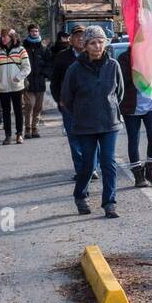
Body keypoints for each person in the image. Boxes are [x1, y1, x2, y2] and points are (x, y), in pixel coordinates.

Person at [60, 26, 124, 217]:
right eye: (93, 43)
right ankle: (80, 195)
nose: (97, 46)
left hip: (109, 122)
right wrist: (82, 111)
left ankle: (109, 203)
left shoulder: (113, 65)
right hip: (85, 124)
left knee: (108, 162)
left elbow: (118, 93)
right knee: (88, 164)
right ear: (85, 46)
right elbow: (67, 98)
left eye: (100, 42)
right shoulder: (75, 69)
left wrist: (109, 106)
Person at [51, 23, 98, 183]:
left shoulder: (94, 54)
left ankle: (92, 168)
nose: (79, 38)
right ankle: (81, 169)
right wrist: (60, 100)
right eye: (76, 35)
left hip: (91, 104)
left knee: (93, 136)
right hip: (70, 105)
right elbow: (55, 81)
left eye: (82, 35)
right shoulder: (62, 57)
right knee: (74, 138)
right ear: (70, 39)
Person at [118, 45, 152, 188]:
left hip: (150, 104)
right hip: (131, 106)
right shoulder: (124, 58)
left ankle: (151, 170)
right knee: (134, 139)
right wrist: (137, 69)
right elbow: (122, 82)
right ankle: (138, 174)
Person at [0, 28, 31, 144]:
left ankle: (19, 134)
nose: (2, 39)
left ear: (12, 37)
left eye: (5, 36)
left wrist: (18, 77)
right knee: (6, 112)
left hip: (17, 86)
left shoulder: (21, 50)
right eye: (2, 37)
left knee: (18, 111)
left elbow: (27, 67)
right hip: (2, 87)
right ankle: (7, 135)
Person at [21, 22, 47, 137]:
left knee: (38, 106)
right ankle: (27, 129)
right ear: (29, 32)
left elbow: (48, 63)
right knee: (29, 105)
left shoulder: (43, 47)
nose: (34, 33)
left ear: (38, 32)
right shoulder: (24, 47)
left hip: (40, 81)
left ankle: (35, 129)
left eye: (36, 31)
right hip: (28, 81)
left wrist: (45, 73)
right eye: (32, 31)